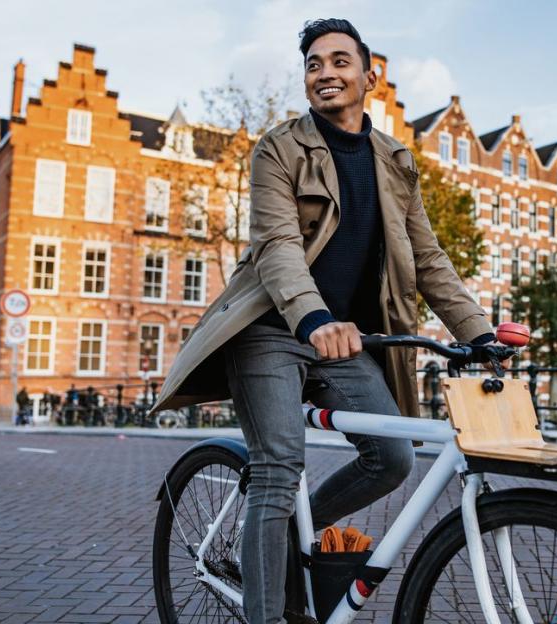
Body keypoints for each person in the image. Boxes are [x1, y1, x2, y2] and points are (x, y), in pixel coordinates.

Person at [154, 18, 497, 623]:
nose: (325, 73)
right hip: (272, 328)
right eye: (313, 64)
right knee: (276, 467)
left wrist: (479, 333)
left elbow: (426, 256)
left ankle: (282, 530)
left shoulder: (396, 160)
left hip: (343, 339)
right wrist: (312, 318)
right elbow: (279, 247)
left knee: (392, 458)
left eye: (339, 61)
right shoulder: (278, 150)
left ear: (370, 75)